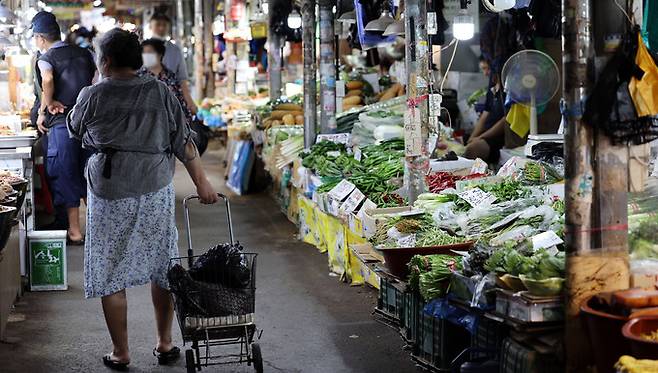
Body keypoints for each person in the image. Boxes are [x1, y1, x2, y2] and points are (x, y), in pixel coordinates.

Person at [67, 28, 219, 370]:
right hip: (154, 189)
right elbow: (184, 142)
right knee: (160, 263)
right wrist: (202, 184)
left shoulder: (92, 94)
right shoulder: (161, 91)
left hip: (110, 191)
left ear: (104, 61)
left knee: (110, 267)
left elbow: (75, 129)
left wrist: (96, 83)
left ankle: (121, 352)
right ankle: (165, 343)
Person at [32, 11, 96, 244]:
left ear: (40, 38)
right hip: (88, 124)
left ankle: (75, 232)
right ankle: (98, 228)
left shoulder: (46, 57)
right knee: (90, 174)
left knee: (66, 174)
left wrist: (46, 106)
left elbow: (47, 80)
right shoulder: (85, 53)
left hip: (62, 124)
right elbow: (97, 81)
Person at [149, 13, 198, 115]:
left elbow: (182, 79)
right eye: (158, 24)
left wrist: (190, 102)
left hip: (172, 101)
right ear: (151, 26)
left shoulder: (175, 50)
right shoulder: (145, 49)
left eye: (164, 25)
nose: (161, 28)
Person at [138, 39, 193, 124]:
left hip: (171, 128)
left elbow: (180, 103)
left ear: (159, 54)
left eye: (149, 52)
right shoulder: (139, 78)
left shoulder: (171, 77)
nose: (146, 56)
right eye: (144, 53)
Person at [463, 73, 507, 163]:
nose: (486, 73)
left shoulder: (508, 92)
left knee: (473, 149)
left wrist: (480, 137)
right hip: (486, 134)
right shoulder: (492, 89)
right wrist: (472, 138)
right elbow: (485, 114)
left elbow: (506, 119)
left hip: (500, 137)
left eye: (487, 69)